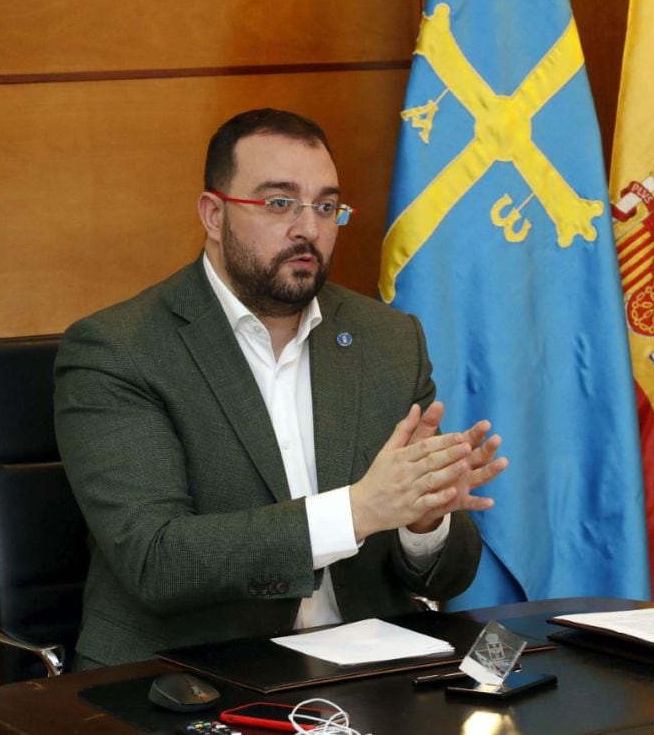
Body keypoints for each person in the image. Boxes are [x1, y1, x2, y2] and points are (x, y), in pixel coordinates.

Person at [54, 108, 506, 668]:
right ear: (214, 215)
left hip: (371, 673)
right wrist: (358, 511)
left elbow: (449, 574)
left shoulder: (388, 339)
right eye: (278, 203)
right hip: (188, 676)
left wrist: (424, 521)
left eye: (325, 206)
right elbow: (155, 559)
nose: (308, 228)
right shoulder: (120, 349)